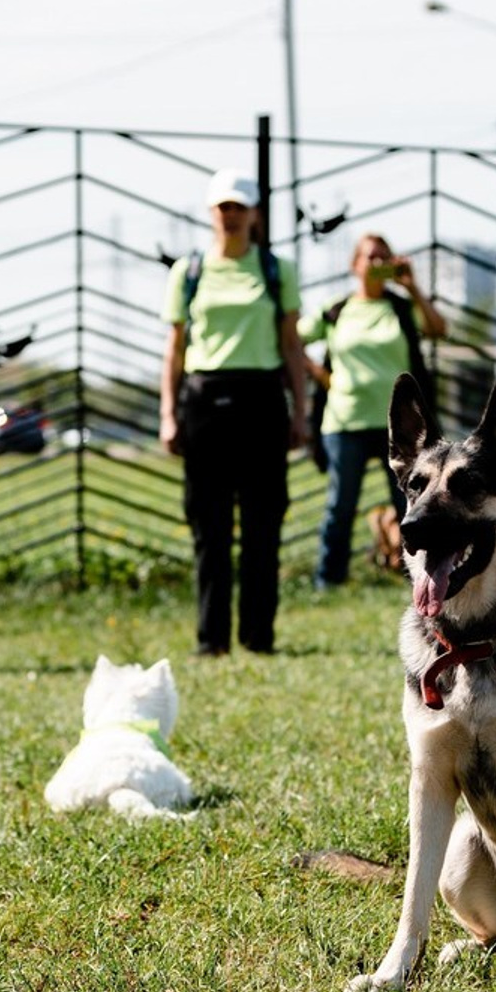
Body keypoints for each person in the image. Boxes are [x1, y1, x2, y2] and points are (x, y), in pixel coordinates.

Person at [159, 168, 307, 656]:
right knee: (210, 526)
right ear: (211, 212)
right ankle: (212, 639)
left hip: (261, 398)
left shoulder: (276, 270)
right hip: (205, 399)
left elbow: (291, 344)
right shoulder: (189, 272)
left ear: (254, 214)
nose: (231, 216)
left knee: (264, 523)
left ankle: (259, 637)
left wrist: (300, 411)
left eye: (239, 207)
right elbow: (175, 349)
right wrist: (168, 413)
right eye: (224, 207)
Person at [299, 232, 446, 589]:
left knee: (411, 503)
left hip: (401, 428)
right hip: (344, 421)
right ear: (355, 265)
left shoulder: (401, 307)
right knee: (340, 506)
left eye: (385, 257)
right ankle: (328, 582)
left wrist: (412, 288)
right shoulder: (336, 310)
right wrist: (318, 373)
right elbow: (291, 337)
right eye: (371, 257)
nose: (378, 263)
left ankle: (421, 578)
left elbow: (438, 329)